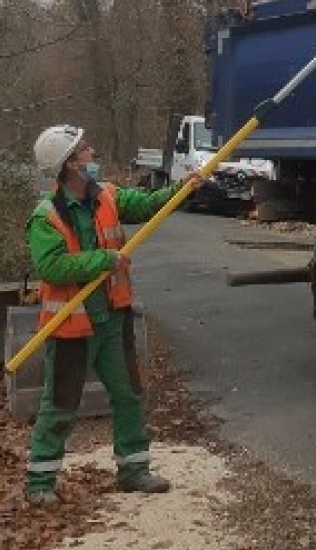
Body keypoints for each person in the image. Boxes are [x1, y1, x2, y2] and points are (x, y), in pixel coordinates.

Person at [24, 124, 201, 506]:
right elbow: (53, 267)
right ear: (70, 164)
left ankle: (134, 470)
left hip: (112, 321)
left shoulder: (107, 195)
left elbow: (147, 204)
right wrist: (105, 259)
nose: (91, 153)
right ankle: (40, 483)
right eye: (84, 149)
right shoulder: (46, 217)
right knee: (60, 404)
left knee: (129, 394)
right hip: (71, 326)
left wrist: (182, 190)